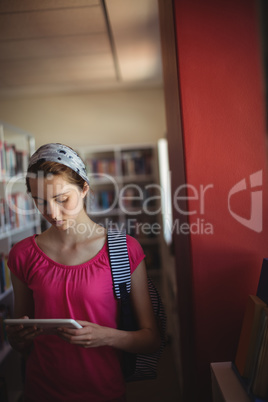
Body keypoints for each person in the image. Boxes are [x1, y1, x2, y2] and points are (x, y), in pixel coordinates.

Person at [6, 143, 160, 402]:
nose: (52, 213)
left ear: (84, 188)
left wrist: (105, 336)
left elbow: (151, 339)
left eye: (62, 199)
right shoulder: (22, 254)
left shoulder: (123, 250)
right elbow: (23, 344)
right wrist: (16, 338)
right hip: (40, 392)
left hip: (104, 392)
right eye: (40, 202)